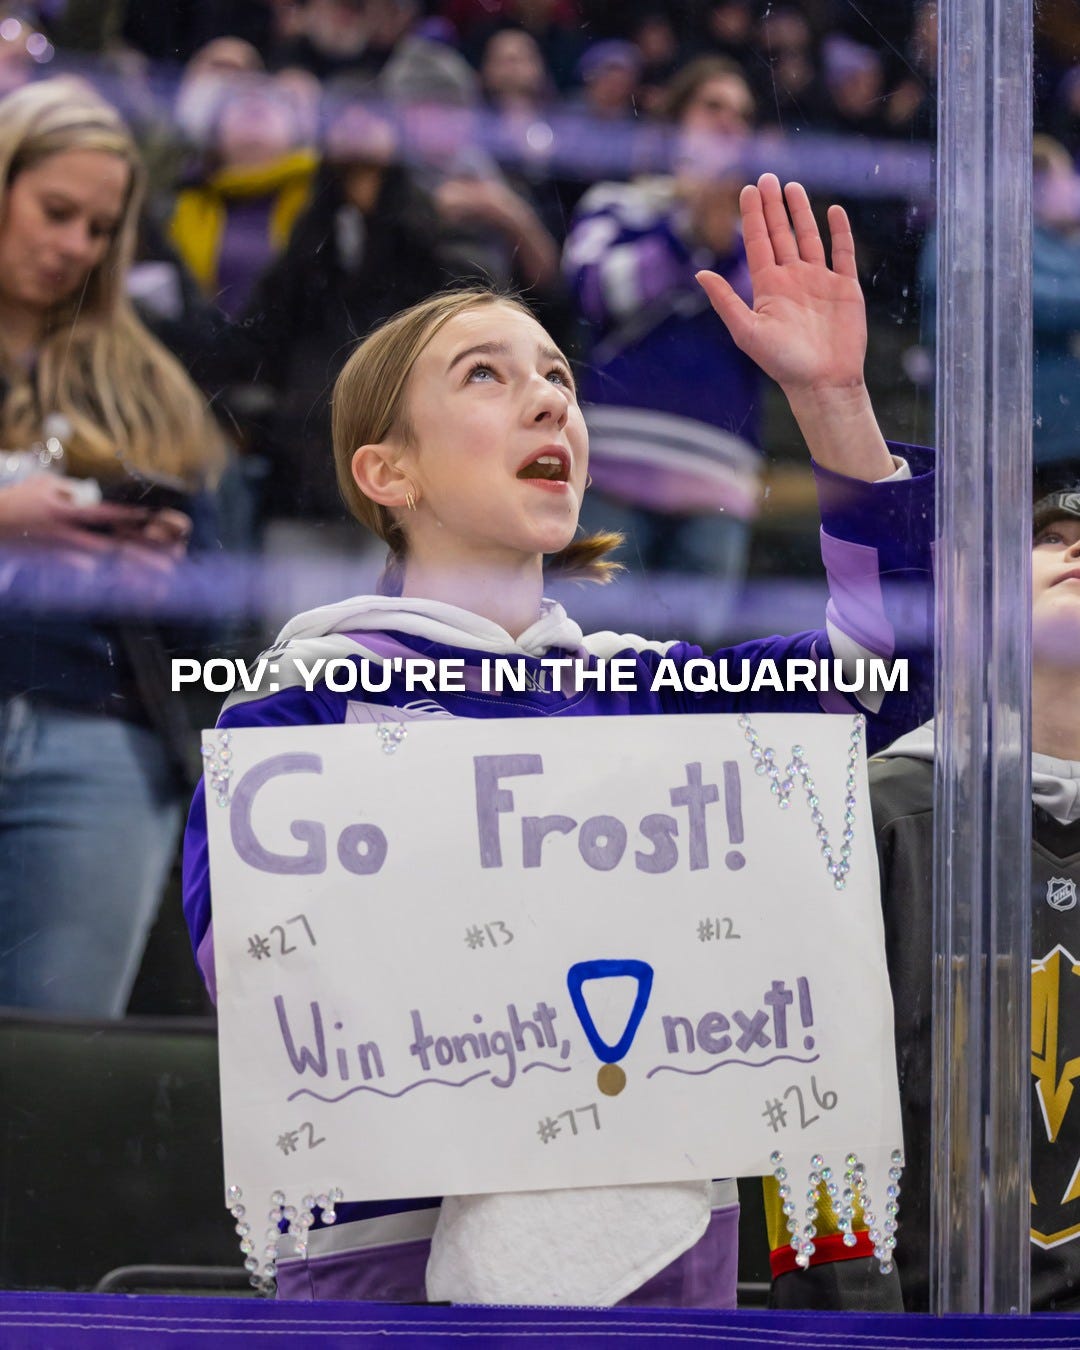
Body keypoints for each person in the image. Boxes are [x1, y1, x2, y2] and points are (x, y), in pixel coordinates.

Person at [182, 173, 935, 1305]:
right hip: (379, 1287)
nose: (549, 404)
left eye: (559, 379)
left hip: (666, 1283)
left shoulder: (651, 699)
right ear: (387, 473)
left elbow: (892, 667)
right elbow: (262, 999)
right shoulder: (293, 727)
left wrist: (832, 401)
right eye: (485, 376)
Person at [766, 486, 1080, 1311]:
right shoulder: (875, 812)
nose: (1078, 549)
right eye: (1051, 536)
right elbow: (810, 1115)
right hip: (926, 1325)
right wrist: (860, 1333)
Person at [0, 78, 223, 1016]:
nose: (73, 248)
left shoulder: (148, 379)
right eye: (55, 212)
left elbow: (221, 604)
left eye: (99, 230)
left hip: (101, 737)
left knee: (54, 1083)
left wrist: (164, 569)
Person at [562, 56, 761, 641]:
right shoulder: (616, 204)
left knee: (695, 683)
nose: (729, 123)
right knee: (589, 666)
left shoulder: (761, 234)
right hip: (614, 470)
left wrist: (723, 241)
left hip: (716, 477)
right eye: (713, 106)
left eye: (742, 114)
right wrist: (685, 233)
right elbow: (594, 289)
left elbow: (771, 326)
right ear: (675, 121)